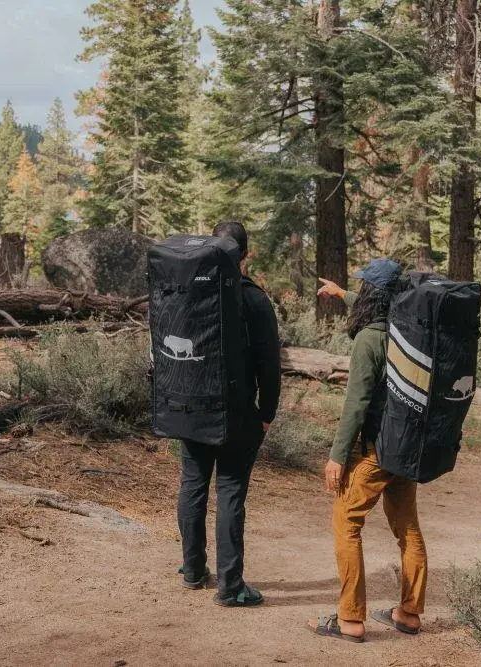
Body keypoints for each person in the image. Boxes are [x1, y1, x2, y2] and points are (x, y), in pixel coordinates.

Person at [308, 260, 427, 642]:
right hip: (407, 448)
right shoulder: (412, 332)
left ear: (372, 296)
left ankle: (350, 619)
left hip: (375, 452)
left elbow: (355, 405)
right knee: (408, 530)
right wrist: (341, 292)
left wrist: (338, 456)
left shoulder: (369, 339)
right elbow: (372, 299)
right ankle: (408, 613)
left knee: (347, 524)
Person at [177, 221, 281, 607]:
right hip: (237, 413)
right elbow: (270, 364)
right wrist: (266, 412)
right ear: (245, 254)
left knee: (193, 484)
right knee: (230, 491)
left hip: (191, 407)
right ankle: (231, 586)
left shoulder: (191, 289)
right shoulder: (253, 299)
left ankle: (192, 570)